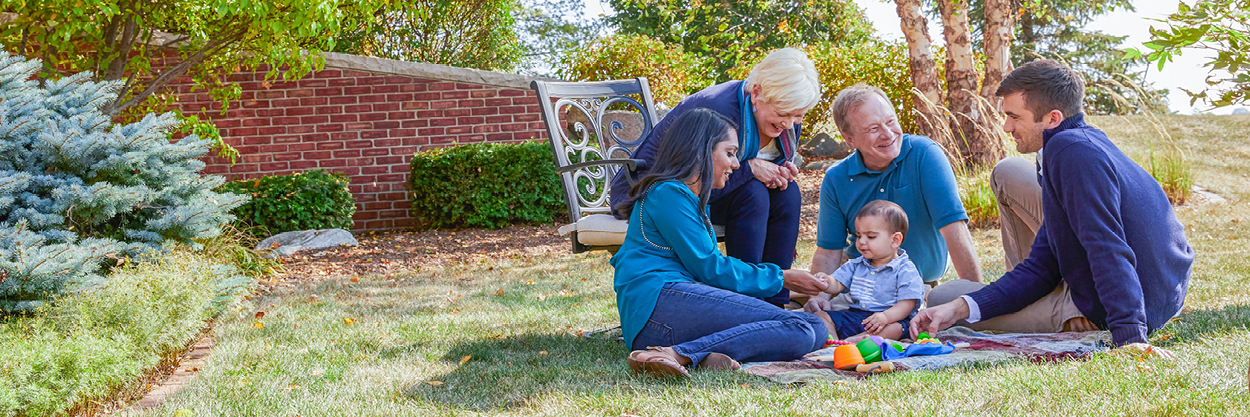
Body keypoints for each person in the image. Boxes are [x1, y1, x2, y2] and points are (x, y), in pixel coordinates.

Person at [912, 59, 1194, 351]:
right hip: (1161, 293)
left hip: (1128, 305)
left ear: (1052, 118)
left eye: (1014, 117)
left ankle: (1077, 315)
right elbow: (1042, 265)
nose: (1006, 127)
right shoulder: (1081, 142)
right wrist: (960, 309)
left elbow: (1106, 245)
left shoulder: (1069, 152)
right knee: (953, 303)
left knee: (940, 298)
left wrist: (1129, 336)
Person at [610, 108, 830, 378]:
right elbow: (710, 267)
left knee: (812, 329)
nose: (736, 164)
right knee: (804, 327)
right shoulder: (667, 193)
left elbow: (708, 270)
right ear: (701, 150)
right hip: (658, 305)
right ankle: (672, 354)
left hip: (669, 315)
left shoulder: (690, 198)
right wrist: (782, 278)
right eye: (730, 152)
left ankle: (695, 353)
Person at [610, 48, 821, 307]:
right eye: (783, 114)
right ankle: (747, 304)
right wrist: (750, 169)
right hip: (656, 195)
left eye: (797, 116)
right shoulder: (718, 109)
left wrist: (778, 171)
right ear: (756, 92)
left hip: (720, 191)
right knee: (752, 195)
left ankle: (775, 304)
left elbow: (762, 161)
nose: (790, 124)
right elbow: (687, 174)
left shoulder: (785, 111)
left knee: (787, 193)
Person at [805, 83, 982, 313]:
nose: (888, 134)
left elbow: (954, 229)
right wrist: (819, 296)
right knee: (818, 315)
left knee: (946, 302)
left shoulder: (924, 154)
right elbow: (828, 252)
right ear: (850, 140)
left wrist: (979, 299)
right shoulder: (836, 179)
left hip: (922, 285)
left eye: (890, 122)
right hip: (862, 287)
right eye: (873, 129)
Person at [810, 200, 925, 341]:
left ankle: (857, 341)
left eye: (870, 237)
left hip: (888, 319)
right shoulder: (856, 264)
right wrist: (826, 281)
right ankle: (833, 343)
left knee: (897, 328)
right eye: (859, 235)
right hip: (856, 316)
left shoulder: (905, 270)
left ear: (895, 240)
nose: (861, 242)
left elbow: (907, 304)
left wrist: (885, 317)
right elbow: (837, 283)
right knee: (822, 316)